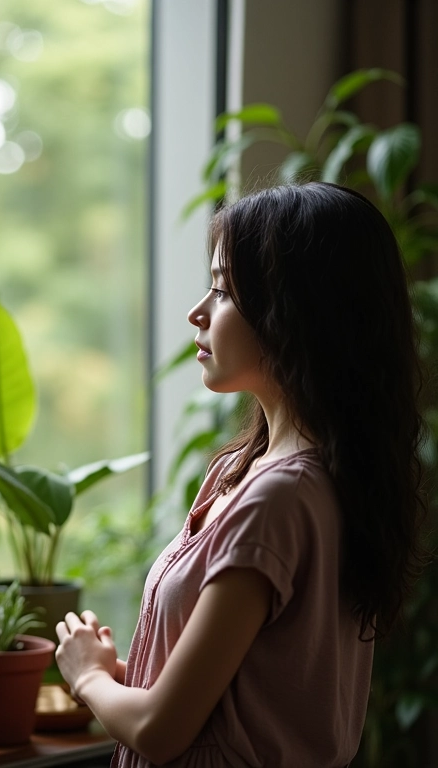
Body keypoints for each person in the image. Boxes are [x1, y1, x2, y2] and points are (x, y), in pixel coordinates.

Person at [55, 182, 426, 767]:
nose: (198, 311)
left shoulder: (280, 497)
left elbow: (159, 731)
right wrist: (130, 676)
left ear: (296, 313)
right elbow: (244, 697)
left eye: (224, 291)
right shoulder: (253, 471)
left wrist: (87, 677)